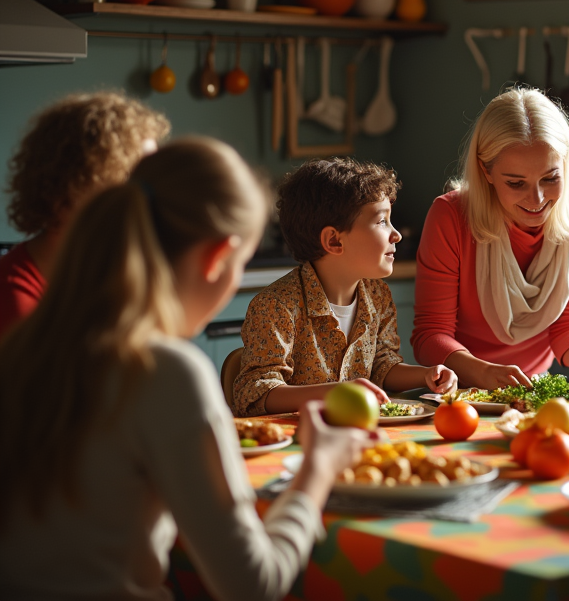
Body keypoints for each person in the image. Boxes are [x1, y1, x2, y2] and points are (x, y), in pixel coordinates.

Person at [0, 138, 370, 601]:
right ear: (218, 257)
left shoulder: (23, 346)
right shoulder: (165, 372)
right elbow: (251, 586)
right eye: (241, 264)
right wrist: (317, 469)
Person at [412, 86, 569, 390]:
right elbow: (430, 335)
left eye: (550, 178)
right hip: (456, 389)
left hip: (531, 386)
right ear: (485, 171)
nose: (537, 198)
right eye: (516, 183)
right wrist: (483, 373)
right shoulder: (451, 216)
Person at [234, 157, 457, 417]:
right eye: (382, 221)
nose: (396, 234)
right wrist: (337, 392)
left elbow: (382, 366)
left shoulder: (378, 296)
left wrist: (428, 374)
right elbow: (255, 392)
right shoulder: (277, 306)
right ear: (334, 241)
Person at [0, 92, 170, 339]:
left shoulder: (113, 276)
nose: (150, 200)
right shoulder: (15, 301)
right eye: (136, 184)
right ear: (68, 192)